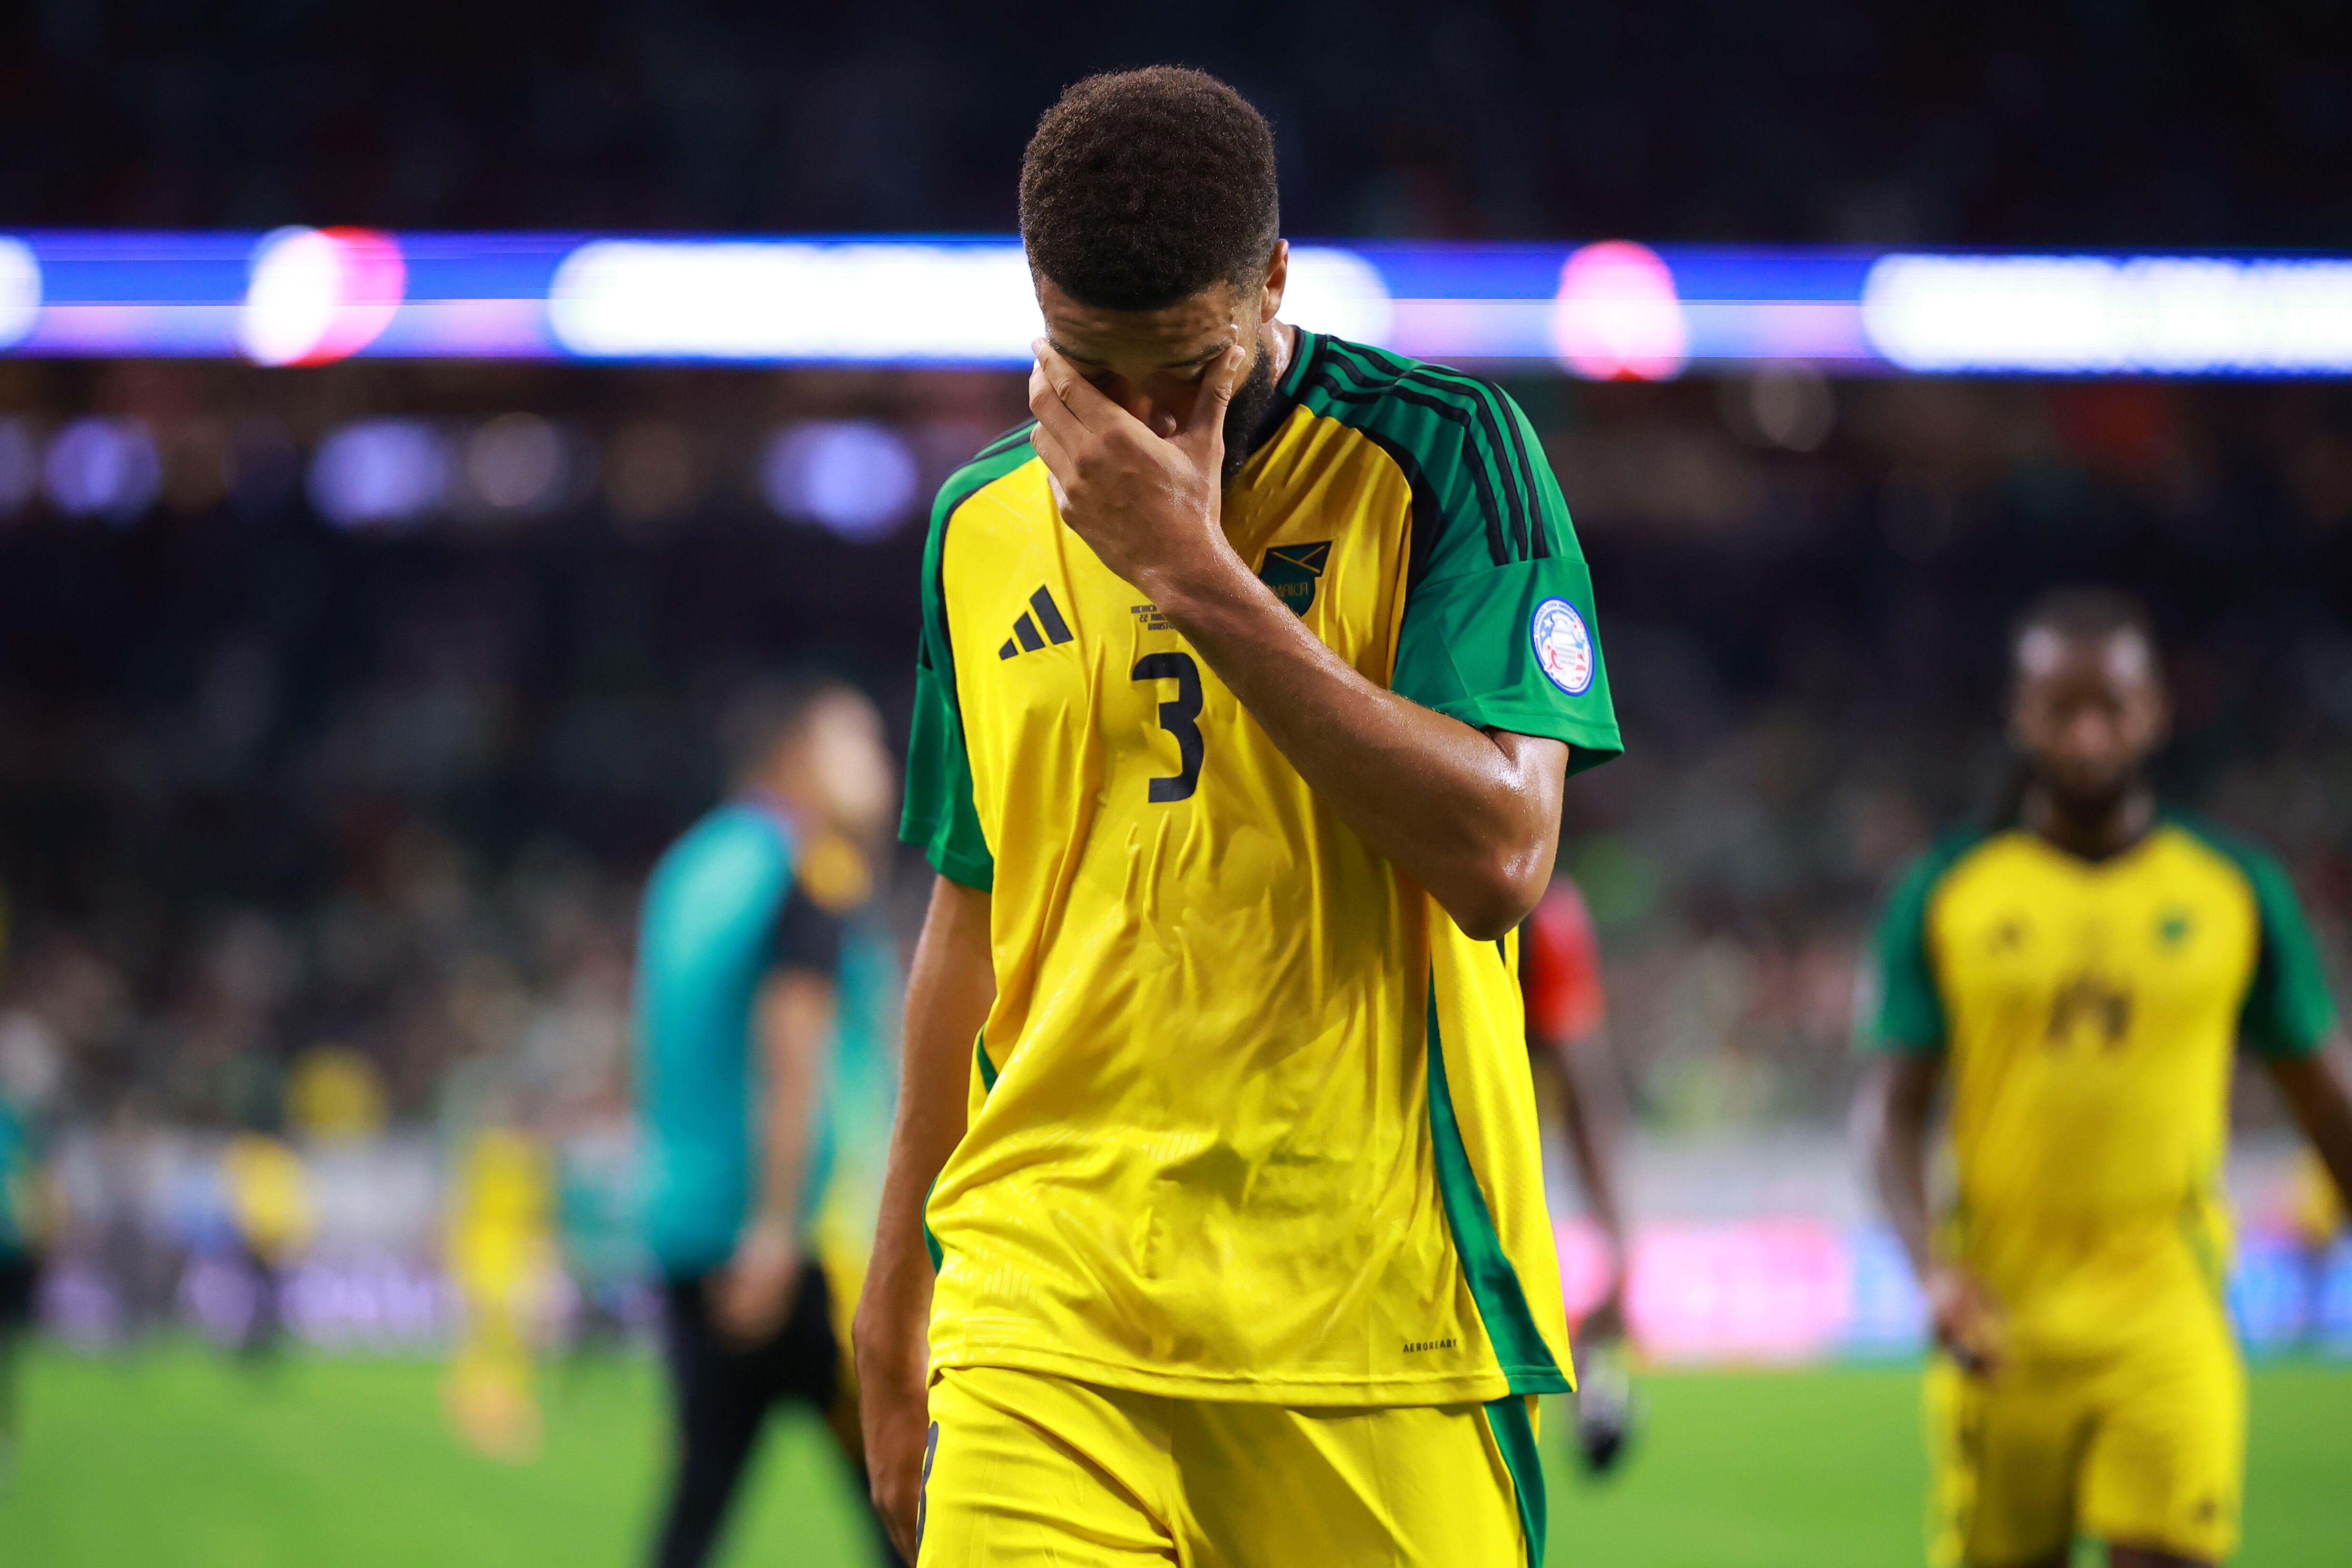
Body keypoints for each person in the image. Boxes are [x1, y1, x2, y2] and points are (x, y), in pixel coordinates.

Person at [853, 67, 1622, 1568]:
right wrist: (896, 1303)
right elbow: (970, 921)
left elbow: (1499, 859)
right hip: (1048, 1306)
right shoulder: (979, 523)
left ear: (1274, 283)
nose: (1137, 425)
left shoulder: (1450, 454)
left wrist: (1193, 575)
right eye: (1090, 371)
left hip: (1373, 1312)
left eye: (1186, 374)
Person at [1855, 588, 2352, 1568]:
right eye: (2059, 710)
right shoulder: (1945, 890)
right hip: (2000, 1328)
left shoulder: (2233, 893)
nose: (2085, 737)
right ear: (2018, 714)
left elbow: (2322, 1102)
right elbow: (1884, 1111)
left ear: (2155, 710)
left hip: (2164, 1323)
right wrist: (1930, 1269)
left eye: (2109, 709)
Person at [634, 678, 905, 1568]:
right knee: (911, 1504)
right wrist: (775, 1233)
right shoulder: (808, 871)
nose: (881, 764)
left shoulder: (692, 866)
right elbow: (794, 1061)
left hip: (689, 1233)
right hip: (794, 1255)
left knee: (697, 1509)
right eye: (854, 743)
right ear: (795, 757)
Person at [1519, 874, 1636, 1471]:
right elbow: (1582, 1088)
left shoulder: (1547, 915)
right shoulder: (1544, 908)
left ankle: (1587, 1384)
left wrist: (1618, 1242)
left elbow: (1581, 1090)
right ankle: (1589, 1386)